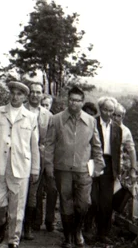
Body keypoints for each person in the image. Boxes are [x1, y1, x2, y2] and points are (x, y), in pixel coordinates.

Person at [0, 81, 40, 248]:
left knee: (17, 208)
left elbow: (34, 146)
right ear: (9, 94)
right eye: (13, 93)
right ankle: (0, 223)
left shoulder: (31, 117)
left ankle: (13, 240)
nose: (15, 96)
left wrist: (35, 168)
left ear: (25, 97)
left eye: (20, 94)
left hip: (20, 168)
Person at [45, 86, 104, 248]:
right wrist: (49, 167)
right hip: (62, 169)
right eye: (71, 100)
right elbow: (49, 144)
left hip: (83, 170)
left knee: (83, 204)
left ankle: (77, 230)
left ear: (82, 102)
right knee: (66, 202)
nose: (74, 104)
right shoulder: (56, 119)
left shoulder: (91, 121)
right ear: (67, 100)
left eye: (78, 100)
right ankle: (68, 237)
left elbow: (97, 147)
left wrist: (98, 166)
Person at [23, 82, 57, 239]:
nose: (35, 95)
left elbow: (50, 140)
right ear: (29, 94)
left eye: (38, 92)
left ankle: (30, 225)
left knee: (35, 192)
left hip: (40, 158)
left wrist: (46, 156)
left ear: (42, 94)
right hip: (22, 155)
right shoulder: (21, 109)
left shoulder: (47, 115)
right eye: (33, 92)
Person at [88, 97, 122, 245]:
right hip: (93, 162)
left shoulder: (117, 128)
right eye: (105, 110)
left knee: (106, 202)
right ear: (100, 109)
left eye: (111, 111)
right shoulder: (92, 123)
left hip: (109, 165)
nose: (108, 113)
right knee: (93, 200)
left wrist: (117, 171)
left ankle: (102, 233)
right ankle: (86, 229)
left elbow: (117, 151)